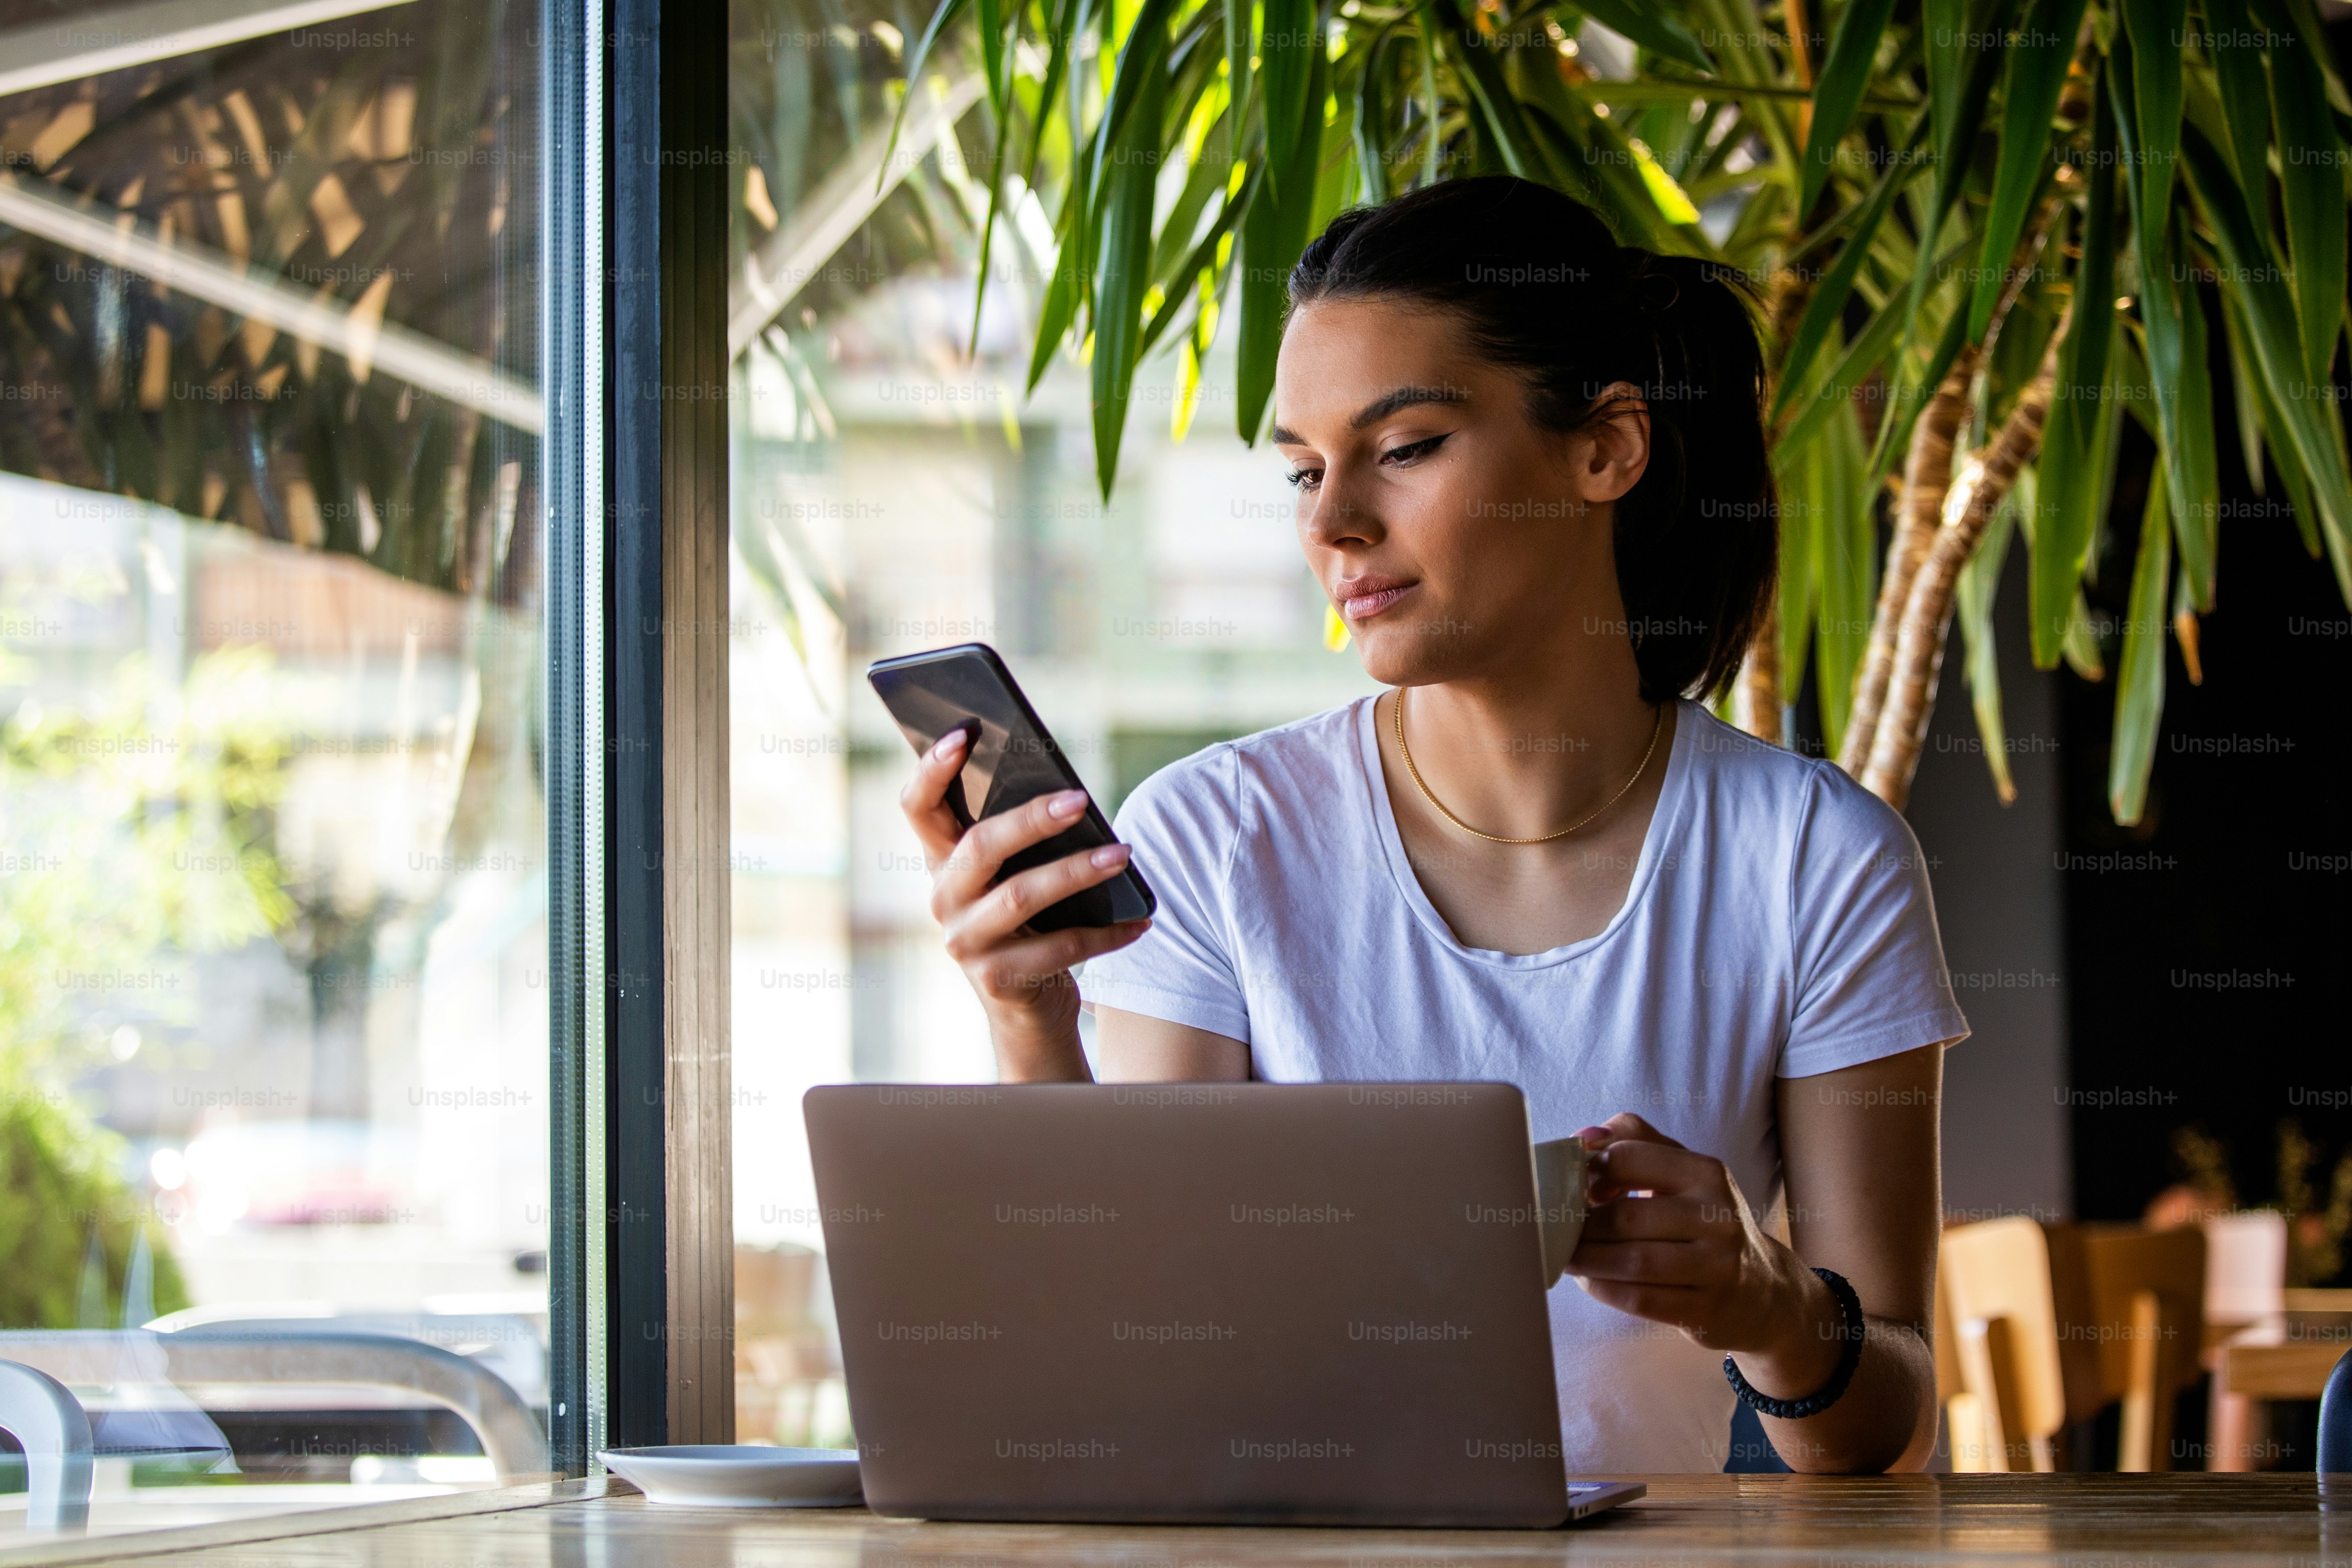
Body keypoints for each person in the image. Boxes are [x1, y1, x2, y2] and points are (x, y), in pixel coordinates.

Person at [897, 176, 1966, 1475]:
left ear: (1603, 450)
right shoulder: (1221, 835)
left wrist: (1772, 1305)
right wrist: (1030, 1020)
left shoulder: (1812, 859)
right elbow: (1128, 1348)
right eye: (1302, 468)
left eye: (1402, 448)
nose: (1332, 520)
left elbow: (1889, 1425)